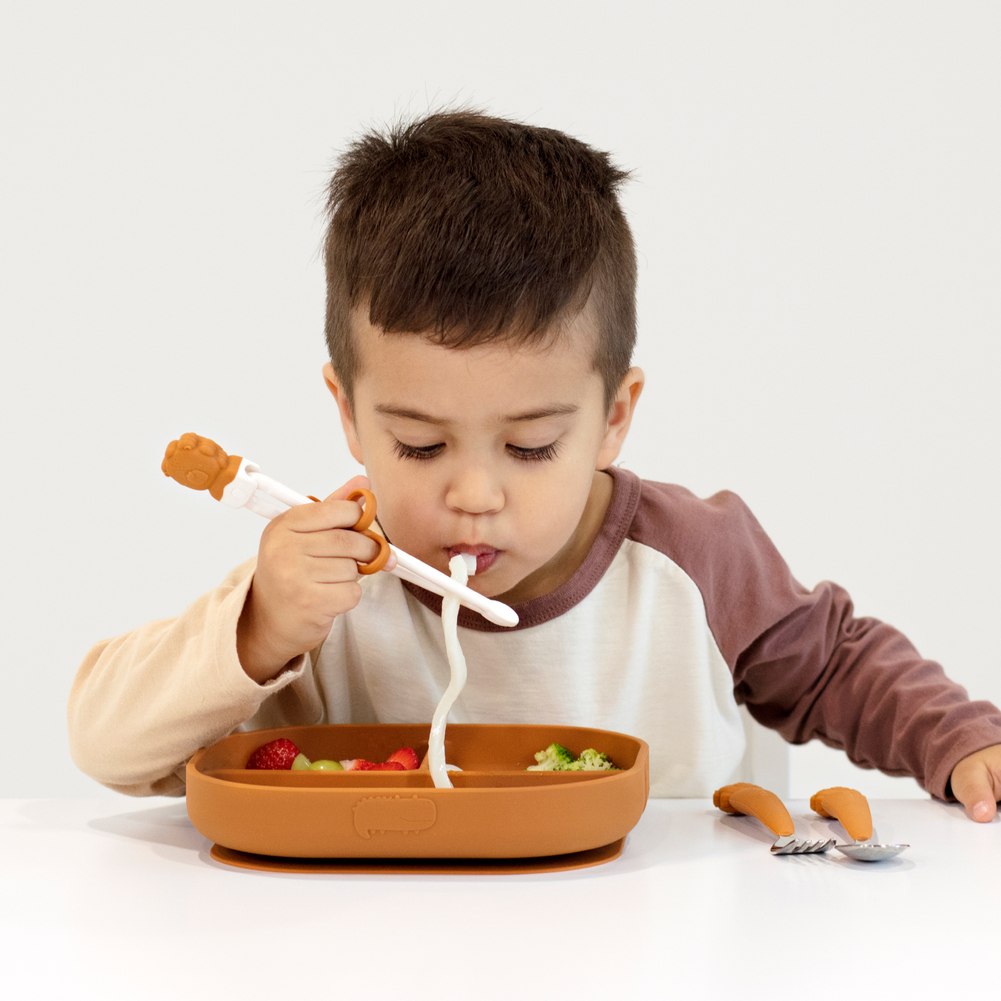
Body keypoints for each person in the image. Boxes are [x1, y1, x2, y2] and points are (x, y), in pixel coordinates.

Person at [69, 110, 1001, 820]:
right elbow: (106, 747)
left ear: (613, 418)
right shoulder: (327, 579)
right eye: (419, 444)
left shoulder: (691, 556)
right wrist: (262, 626)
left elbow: (835, 666)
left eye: (529, 447)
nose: (474, 494)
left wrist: (959, 740)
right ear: (348, 414)